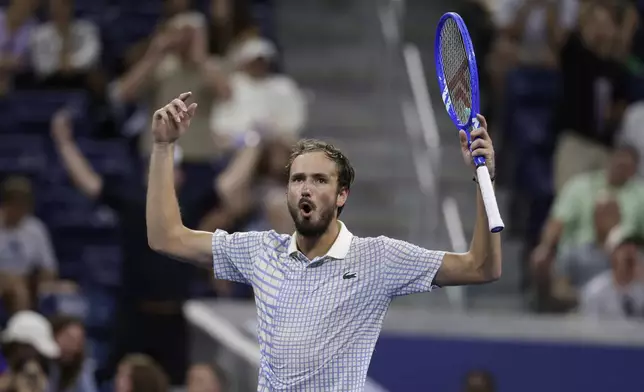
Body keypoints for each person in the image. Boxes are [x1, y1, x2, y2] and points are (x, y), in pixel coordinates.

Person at [145, 93, 502, 390]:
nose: (306, 188)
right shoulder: (258, 252)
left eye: (319, 180)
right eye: (298, 179)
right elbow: (167, 237)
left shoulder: (377, 258)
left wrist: (481, 177)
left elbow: (481, 267)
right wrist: (163, 147)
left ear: (342, 195)